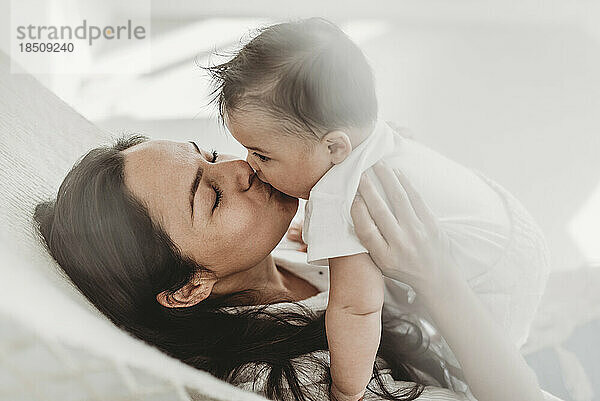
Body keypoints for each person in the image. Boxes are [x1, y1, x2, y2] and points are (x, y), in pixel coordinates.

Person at [33, 137, 558, 401]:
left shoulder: (291, 259)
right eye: (211, 196)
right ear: (189, 287)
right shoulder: (292, 376)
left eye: (210, 155)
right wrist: (436, 279)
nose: (240, 168)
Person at [204, 18, 550, 400]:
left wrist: (346, 390)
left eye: (263, 154)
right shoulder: (369, 135)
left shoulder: (339, 195)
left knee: (472, 371)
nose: (250, 165)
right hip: (506, 221)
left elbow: (356, 309)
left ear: (335, 149)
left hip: (495, 275)